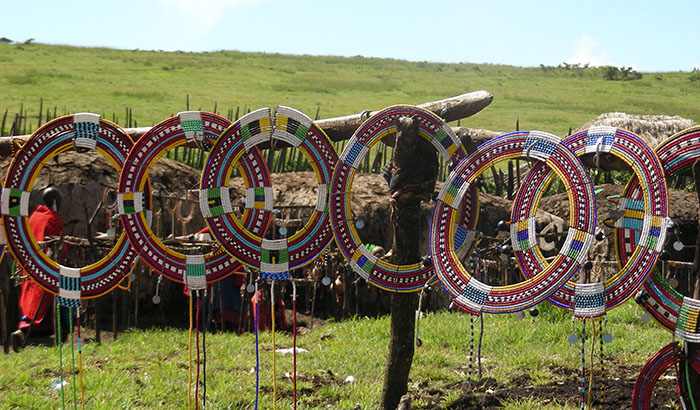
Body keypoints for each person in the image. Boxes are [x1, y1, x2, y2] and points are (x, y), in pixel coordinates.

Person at [12, 187, 65, 351]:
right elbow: (57, 245)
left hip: (31, 268)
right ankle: (58, 338)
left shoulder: (34, 216)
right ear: (55, 202)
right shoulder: (52, 218)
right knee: (51, 302)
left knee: (32, 302)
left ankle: (27, 333)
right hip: (47, 268)